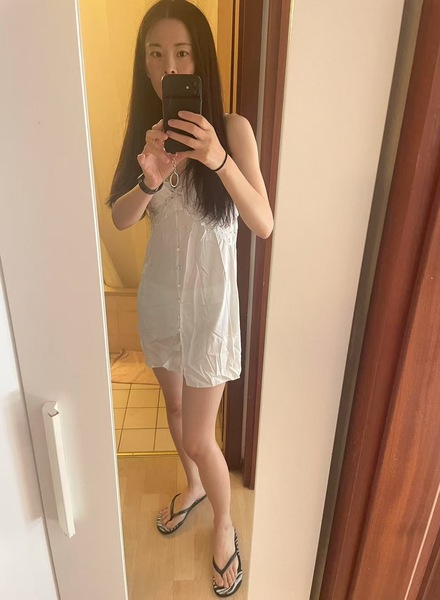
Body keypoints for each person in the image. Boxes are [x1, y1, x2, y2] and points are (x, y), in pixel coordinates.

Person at [108, 0, 273, 596]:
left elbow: (263, 223)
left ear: (200, 59)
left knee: (203, 436)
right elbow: (122, 219)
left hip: (210, 311)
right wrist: (149, 177)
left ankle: (224, 523)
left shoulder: (233, 129)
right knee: (175, 413)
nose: (168, 67)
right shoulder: (145, 133)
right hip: (160, 298)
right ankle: (196, 485)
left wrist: (217, 159)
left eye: (181, 53)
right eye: (155, 54)